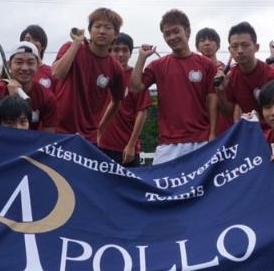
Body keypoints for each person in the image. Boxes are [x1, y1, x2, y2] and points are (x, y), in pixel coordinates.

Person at [131, 9, 218, 164]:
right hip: (168, 143)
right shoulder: (157, 65)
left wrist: (212, 133)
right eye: (167, 34)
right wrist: (141, 58)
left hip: (201, 140)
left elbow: (212, 99)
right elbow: (135, 87)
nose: (172, 37)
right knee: (160, 180)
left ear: (187, 31)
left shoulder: (206, 65)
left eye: (176, 31)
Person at [52, 7, 126, 143]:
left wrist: (101, 128)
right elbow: (57, 74)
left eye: (108, 27)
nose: (102, 31)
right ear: (90, 30)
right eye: (97, 26)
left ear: (115, 34)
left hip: (88, 138)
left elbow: (117, 101)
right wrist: (76, 43)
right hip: (58, 131)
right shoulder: (71, 47)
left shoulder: (116, 68)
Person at [98, 33, 152, 167]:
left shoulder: (135, 78)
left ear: (130, 53)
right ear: (109, 51)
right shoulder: (99, 74)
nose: (120, 54)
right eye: (116, 50)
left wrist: (131, 145)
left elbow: (142, 112)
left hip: (125, 150)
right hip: (98, 146)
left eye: (125, 50)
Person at [217, 22, 274, 127]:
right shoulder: (230, 77)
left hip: (272, 129)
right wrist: (220, 92)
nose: (240, 51)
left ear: (256, 47)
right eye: (235, 46)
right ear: (229, 50)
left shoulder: (272, 75)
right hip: (249, 130)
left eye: (245, 45)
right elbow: (229, 113)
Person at [0, 42, 57, 132]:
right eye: (19, 62)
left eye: (30, 63)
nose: (25, 68)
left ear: (37, 66)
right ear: (9, 64)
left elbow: (49, 136)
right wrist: (12, 99)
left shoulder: (47, 97)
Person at [198, 27, 234, 135]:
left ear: (218, 45)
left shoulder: (229, 72)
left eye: (211, 39)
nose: (207, 43)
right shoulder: (194, 73)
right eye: (202, 40)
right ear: (197, 47)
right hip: (200, 130)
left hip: (226, 129)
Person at [20, 24, 54, 90]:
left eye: (36, 40)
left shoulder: (52, 72)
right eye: (27, 40)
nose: (31, 43)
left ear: (43, 45)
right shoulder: (16, 71)